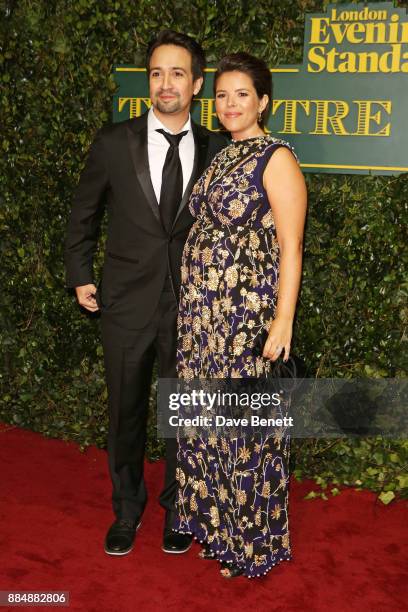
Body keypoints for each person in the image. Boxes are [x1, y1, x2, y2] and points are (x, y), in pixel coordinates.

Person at [64, 30, 228, 557]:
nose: (165, 83)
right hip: (126, 302)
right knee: (126, 412)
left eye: (177, 73)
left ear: (197, 84)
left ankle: (179, 509)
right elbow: (83, 213)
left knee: (182, 414)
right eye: (156, 73)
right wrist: (80, 273)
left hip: (194, 306)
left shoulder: (218, 148)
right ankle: (126, 510)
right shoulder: (115, 141)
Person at [173, 52, 307, 577]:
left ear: (264, 102)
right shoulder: (225, 154)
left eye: (242, 95)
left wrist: (283, 319)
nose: (229, 104)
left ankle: (250, 542)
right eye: (222, 95)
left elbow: (291, 247)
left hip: (243, 319)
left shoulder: (277, 159)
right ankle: (218, 528)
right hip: (202, 318)